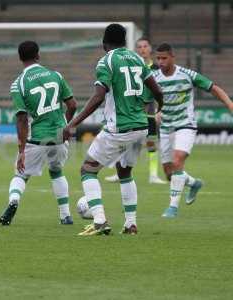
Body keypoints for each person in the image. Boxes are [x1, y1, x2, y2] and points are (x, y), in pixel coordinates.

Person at [63, 24, 163, 235]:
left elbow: (99, 96)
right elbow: (156, 90)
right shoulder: (138, 59)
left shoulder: (106, 61)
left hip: (119, 128)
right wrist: (159, 108)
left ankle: (99, 221)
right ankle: (130, 224)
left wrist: (73, 123)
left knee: (87, 170)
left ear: (104, 44)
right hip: (141, 127)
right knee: (124, 171)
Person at [0, 41, 77, 226]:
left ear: (20, 58)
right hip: (59, 136)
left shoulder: (18, 84)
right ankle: (65, 215)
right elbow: (72, 105)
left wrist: (21, 150)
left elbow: (22, 118)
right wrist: (64, 125)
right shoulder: (55, 75)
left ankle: (14, 201)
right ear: (38, 56)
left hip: (37, 137)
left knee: (21, 175)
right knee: (57, 171)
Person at [154, 43, 233, 218]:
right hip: (166, 127)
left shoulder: (187, 75)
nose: (161, 62)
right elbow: (148, 99)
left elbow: (215, 88)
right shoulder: (153, 77)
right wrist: (156, 112)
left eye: (164, 58)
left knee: (177, 160)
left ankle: (172, 208)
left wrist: (230, 105)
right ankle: (194, 183)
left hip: (185, 125)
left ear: (173, 57)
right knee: (169, 172)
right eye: (158, 58)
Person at [105, 37, 166, 184]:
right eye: (139, 47)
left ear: (150, 49)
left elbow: (161, 90)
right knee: (125, 142)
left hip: (151, 111)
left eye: (145, 46)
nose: (142, 49)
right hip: (133, 110)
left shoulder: (157, 70)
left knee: (151, 142)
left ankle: (153, 175)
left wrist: (160, 109)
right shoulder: (132, 66)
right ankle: (120, 172)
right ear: (135, 49)